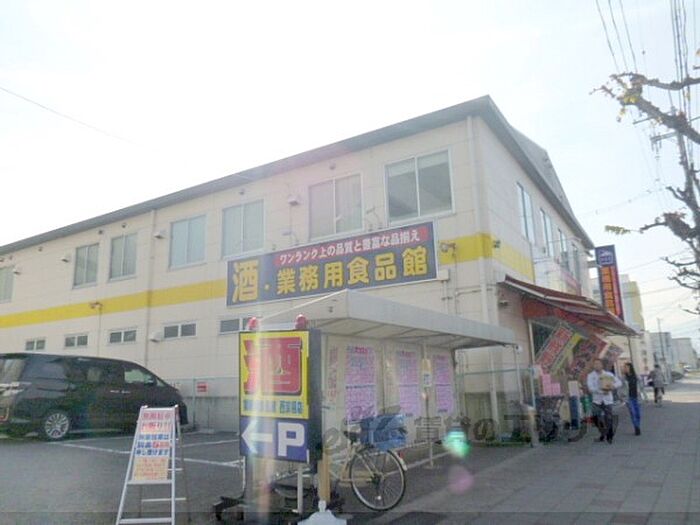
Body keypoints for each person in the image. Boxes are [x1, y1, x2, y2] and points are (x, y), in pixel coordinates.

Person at [586, 358, 622, 444]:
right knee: (595, 418)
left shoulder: (608, 374)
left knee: (608, 418)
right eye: (595, 364)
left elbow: (619, 383)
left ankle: (609, 436)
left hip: (607, 400)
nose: (596, 365)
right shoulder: (590, 376)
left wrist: (613, 386)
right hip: (597, 400)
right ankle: (603, 433)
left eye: (598, 364)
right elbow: (590, 388)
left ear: (602, 365)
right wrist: (602, 391)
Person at [622, 362, 641, 435]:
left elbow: (641, 387)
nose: (625, 368)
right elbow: (620, 388)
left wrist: (646, 397)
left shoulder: (636, 376)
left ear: (630, 368)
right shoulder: (623, 378)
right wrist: (621, 396)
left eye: (626, 367)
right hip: (629, 398)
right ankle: (636, 427)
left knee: (638, 414)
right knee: (633, 413)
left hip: (637, 397)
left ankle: (637, 425)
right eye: (624, 367)